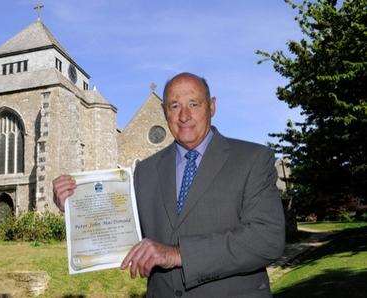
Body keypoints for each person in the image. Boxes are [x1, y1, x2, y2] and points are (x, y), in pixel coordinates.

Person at [53, 72, 285, 297]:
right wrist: (77, 205)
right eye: (174, 106)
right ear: (165, 112)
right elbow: (125, 228)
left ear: (212, 106)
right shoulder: (144, 170)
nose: (184, 115)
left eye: (193, 103)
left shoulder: (252, 159)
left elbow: (267, 240)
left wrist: (178, 254)